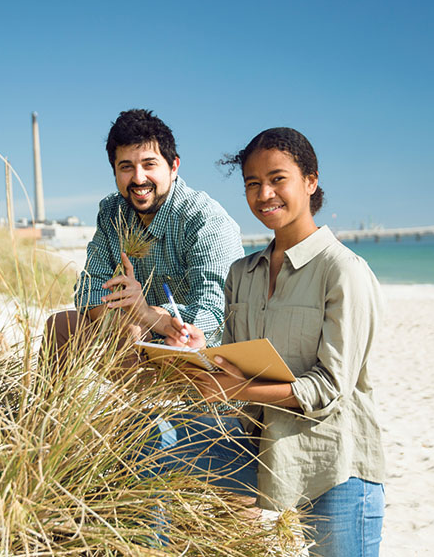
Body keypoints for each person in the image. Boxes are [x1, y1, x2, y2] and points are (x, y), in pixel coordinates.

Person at [156, 127, 386, 556]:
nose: (264, 194)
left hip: (333, 462)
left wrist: (235, 387)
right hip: (259, 448)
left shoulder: (344, 271)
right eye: (252, 183)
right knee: (151, 443)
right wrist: (199, 356)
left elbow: (329, 388)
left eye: (278, 179)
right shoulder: (242, 273)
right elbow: (236, 363)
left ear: (310, 181)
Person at [45, 109, 244, 365]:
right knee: (61, 325)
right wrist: (130, 322)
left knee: (141, 335)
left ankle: (149, 404)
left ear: (173, 167)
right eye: (126, 167)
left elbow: (216, 316)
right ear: (114, 171)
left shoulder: (205, 219)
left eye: (149, 164)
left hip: (197, 352)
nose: (138, 178)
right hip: (136, 338)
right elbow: (88, 292)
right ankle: (58, 406)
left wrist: (150, 315)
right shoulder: (112, 211)